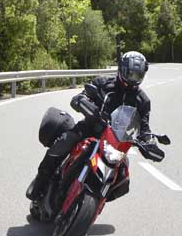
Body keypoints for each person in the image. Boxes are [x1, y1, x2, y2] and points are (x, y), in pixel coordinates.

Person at [26, 51, 152, 203]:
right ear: (122, 69)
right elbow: (81, 96)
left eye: (137, 75)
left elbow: (144, 128)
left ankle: (95, 201)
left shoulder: (142, 101)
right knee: (61, 145)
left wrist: (149, 142)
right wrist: (82, 100)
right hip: (89, 130)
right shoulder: (103, 83)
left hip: (115, 144)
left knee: (123, 178)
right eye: (130, 74)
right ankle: (39, 184)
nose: (133, 79)